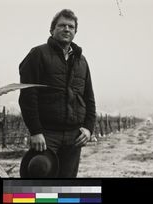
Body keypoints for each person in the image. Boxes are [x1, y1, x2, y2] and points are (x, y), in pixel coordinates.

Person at [19, 9, 96, 178]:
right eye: (62, 25)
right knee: (39, 173)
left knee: (66, 186)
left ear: (75, 31)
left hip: (74, 136)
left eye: (71, 26)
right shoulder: (38, 54)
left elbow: (89, 98)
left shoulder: (81, 61)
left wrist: (89, 129)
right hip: (46, 134)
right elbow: (27, 96)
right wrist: (35, 131)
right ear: (52, 29)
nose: (66, 29)